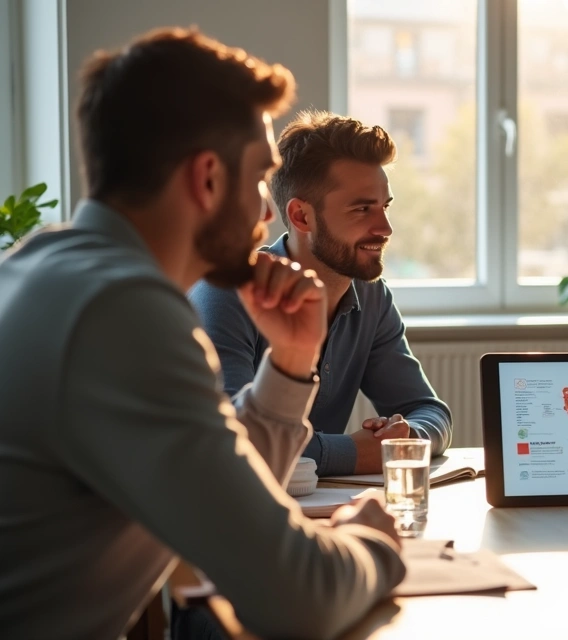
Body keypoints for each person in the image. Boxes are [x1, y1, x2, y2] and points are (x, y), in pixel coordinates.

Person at [0, 28, 406, 638]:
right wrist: (373, 544)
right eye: (260, 178)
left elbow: (220, 487)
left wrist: (292, 363)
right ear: (208, 179)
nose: (268, 213)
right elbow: (301, 599)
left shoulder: (45, 265)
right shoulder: (121, 312)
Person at [190, 110, 452, 476]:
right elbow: (232, 438)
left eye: (384, 207)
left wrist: (405, 437)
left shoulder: (371, 297)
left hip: (319, 505)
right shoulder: (226, 294)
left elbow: (430, 411)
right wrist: (352, 453)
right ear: (301, 217)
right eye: (362, 209)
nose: (386, 228)